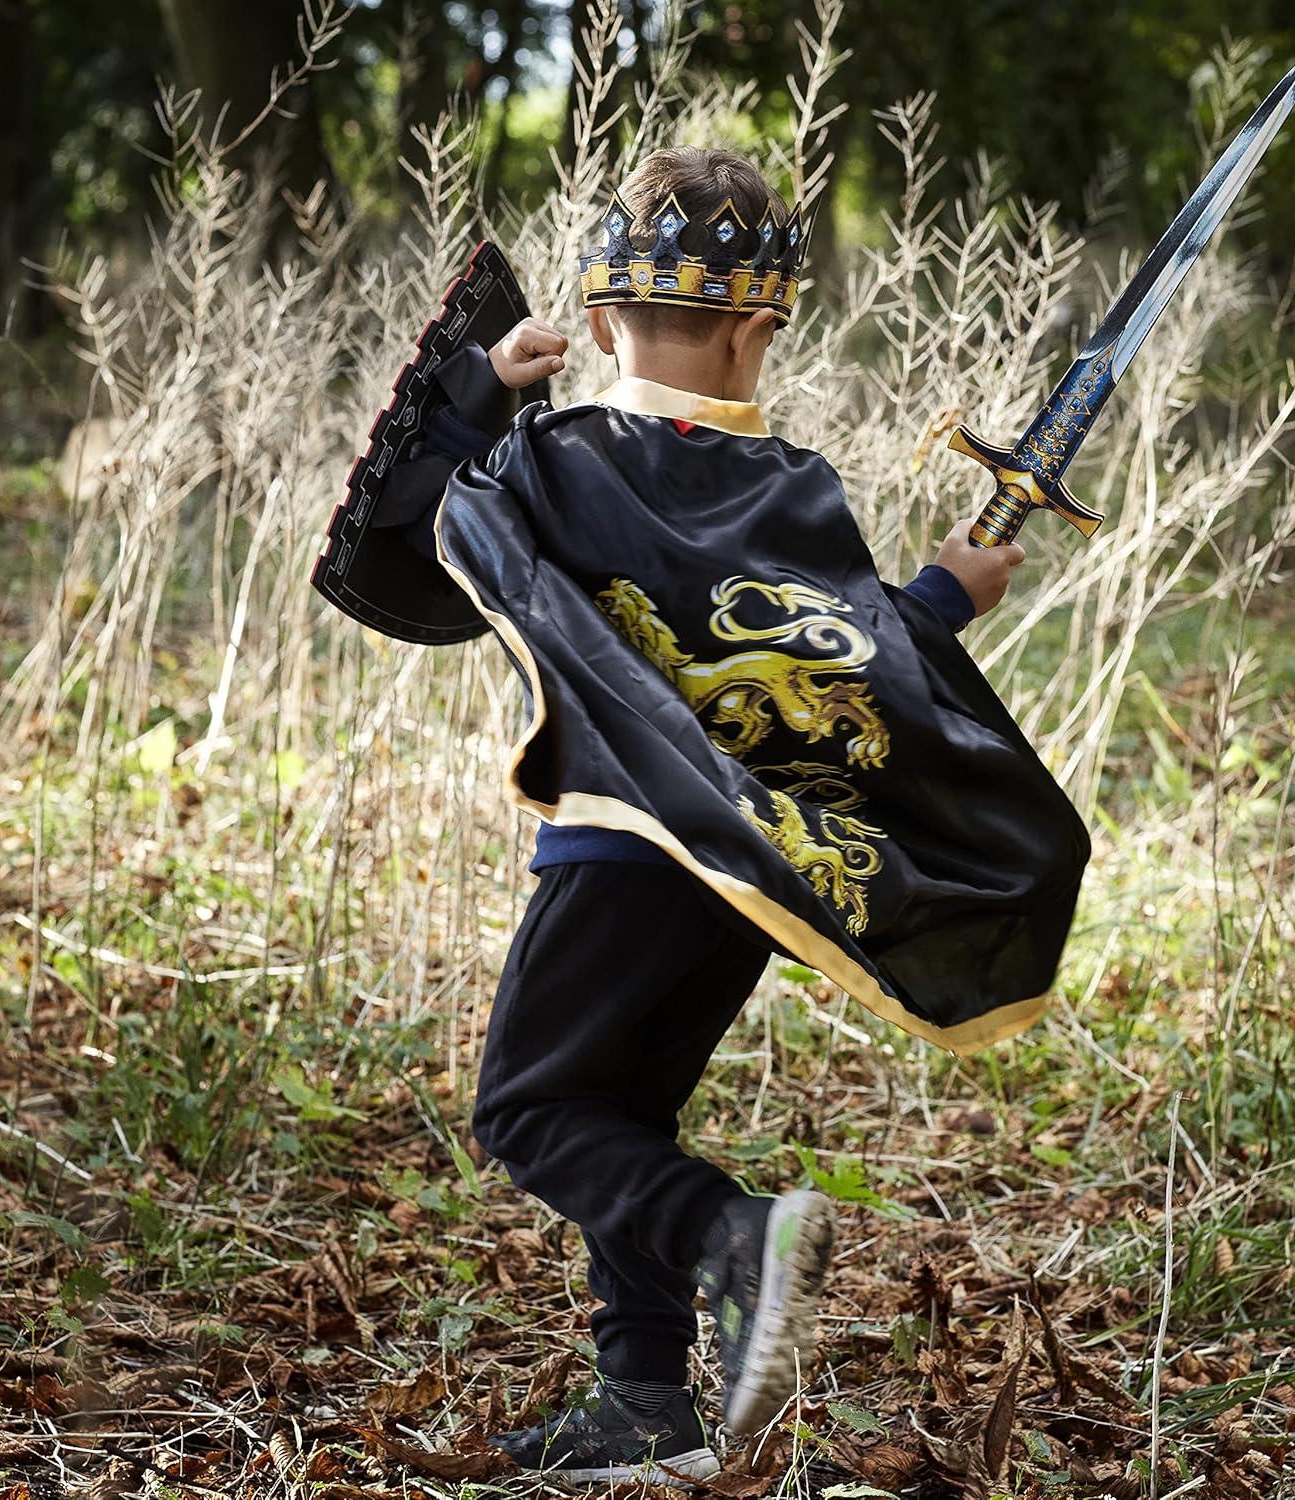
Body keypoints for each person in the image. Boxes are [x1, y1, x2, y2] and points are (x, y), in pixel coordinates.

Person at [375, 146, 1088, 1485]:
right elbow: (854, 670)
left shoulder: (551, 457)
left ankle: (734, 1239)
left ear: (598, 326)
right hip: (745, 874)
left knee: (530, 1107)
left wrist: (481, 389)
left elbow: (404, 531)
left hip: (616, 844)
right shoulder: (793, 489)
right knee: (621, 1112)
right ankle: (645, 1402)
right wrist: (945, 593)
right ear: (762, 333)